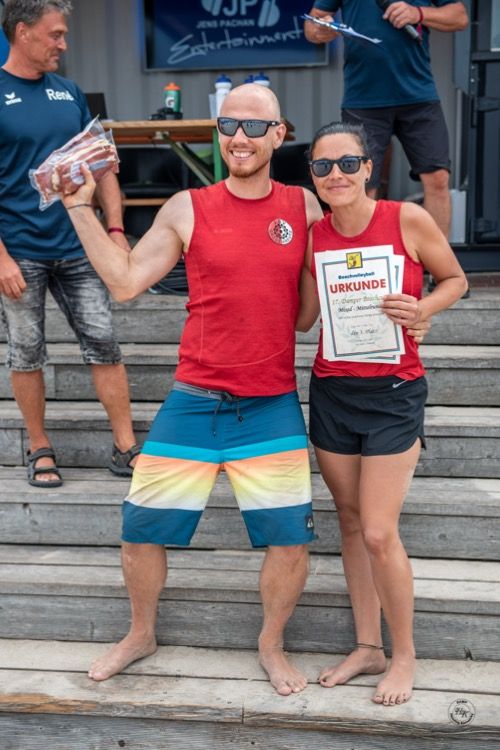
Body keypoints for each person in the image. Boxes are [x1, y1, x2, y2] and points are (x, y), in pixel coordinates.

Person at [60, 83, 329, 696]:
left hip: (270, 403)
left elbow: (305, 317)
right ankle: (141, 633)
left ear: (279, 134)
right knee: (141, 529)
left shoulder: (305, 208)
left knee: (289, 541)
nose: (240, 138)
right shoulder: (187, 206)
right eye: (229, 125)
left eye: (254, 127)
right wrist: (78, 208)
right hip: (194, 399)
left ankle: (271, 643)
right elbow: (125, 282)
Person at [296, 121, 467, 706]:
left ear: (368, 167)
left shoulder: (407, 219)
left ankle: (405, 655)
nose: (336, 175)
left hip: (394, 391)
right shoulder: (314, 237)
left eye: (347, 163)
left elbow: (456, 280)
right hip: (333, 390)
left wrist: (423, 309)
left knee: (376, 529)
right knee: (349, 522)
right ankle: (368, 646)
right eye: (323, 166)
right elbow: (304, 319)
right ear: (312, 176)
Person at [0, 0, 140, 487]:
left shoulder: (69, 92)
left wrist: (116, 231)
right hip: (19, 252)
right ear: (23, 32)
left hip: (80, 247)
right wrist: (0, 258)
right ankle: (39, 447)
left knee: (105, 344)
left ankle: (125, 446)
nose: (63, 43)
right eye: (55, 34)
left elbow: (103, 164)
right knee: (26, 353)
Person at [304, 1, 468, 241]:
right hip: (363, 98)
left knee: (437, 179)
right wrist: (322, 29)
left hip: (418, 95)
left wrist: (418, 13)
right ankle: (366, 257)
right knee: (362, 183)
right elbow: (312, 25)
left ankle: (437, 261)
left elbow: (460, 17)